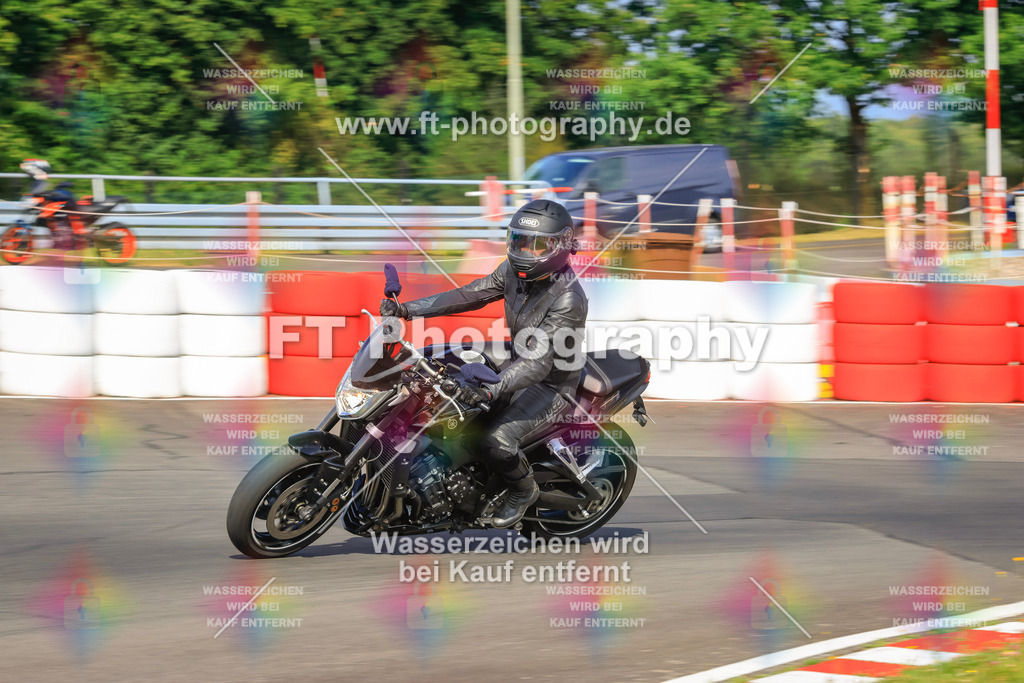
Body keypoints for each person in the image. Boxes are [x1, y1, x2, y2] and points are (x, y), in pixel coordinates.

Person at [380, 199, 588, 528]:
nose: (524, 250)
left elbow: (539, 362)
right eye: (518, 240)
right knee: (439, 372)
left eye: (537, 245)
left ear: (560, 248)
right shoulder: (513, 272)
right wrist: (406, 310)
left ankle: (524, 491)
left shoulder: (568, 298)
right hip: (517, 355)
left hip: (550, 381)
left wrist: (492, 391)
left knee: (495, 440)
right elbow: (469, 294)